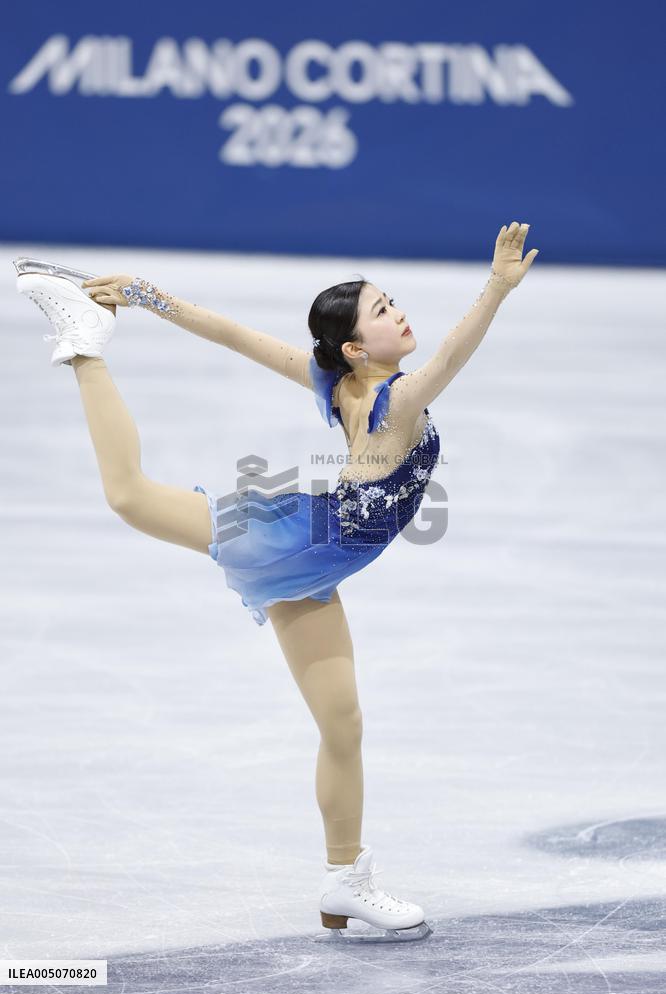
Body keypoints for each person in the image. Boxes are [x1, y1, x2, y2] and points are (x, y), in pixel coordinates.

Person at [15, 221, 538, 941]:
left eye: (392, 301)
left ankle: (344, 878)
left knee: (343, 724)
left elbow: (233, 334)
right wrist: (497, 289)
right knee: (131, 494)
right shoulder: (401, 400)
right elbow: (452, 354)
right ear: (356, 347)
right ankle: (82, 346)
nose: (399, 313)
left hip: (314, 566)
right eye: (383, 311)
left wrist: (148, 294)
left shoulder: (339, 380)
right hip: (291, 541)